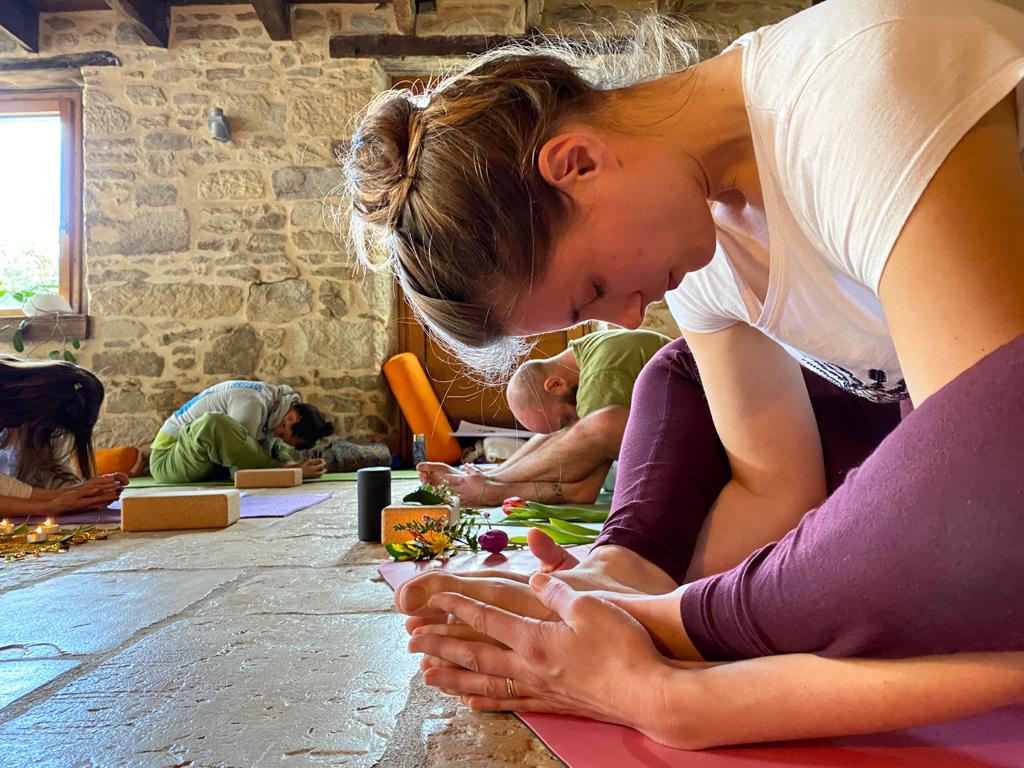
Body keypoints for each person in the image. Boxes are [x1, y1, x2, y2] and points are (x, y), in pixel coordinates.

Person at [344, 0, 1024, 749]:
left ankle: (667, 629)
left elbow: (985, 497)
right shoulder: (702, 254)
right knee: (673, 374)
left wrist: (675, 686)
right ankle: (624, 580)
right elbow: (773, 487)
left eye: (593, 288)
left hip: (993, 462)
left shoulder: (856, 91)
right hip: (964, 458)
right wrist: (595, 594)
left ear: (577, 163)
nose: (627, 316)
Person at [419, 328, 671, 505]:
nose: (569, 429)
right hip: (652, 452)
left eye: (565, 419)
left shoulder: (600, 375)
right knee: (575, 428)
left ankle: (491, 483)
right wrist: (491, 476)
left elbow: (584, 491)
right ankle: (490, 475)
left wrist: (495, 489)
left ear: (555, 384)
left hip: (693, 455)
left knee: (596, 423)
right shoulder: (588, 354)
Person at [0, 355, 128, 516]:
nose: (49, 431)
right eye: (50, 427)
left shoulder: (22, 409)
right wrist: (50, 504)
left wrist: (82, 493)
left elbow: (43, 466)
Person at [149, 380, 335, 484]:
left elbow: (264, 444)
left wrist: (289, 461)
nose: (280, 436)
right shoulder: (252, 405)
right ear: (291, 418)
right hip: (166, 460)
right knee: (213, 423)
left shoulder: (274, 407)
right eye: (284, 435)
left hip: (201, 463)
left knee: (263, 443)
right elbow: (242, 473)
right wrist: (292, 471)